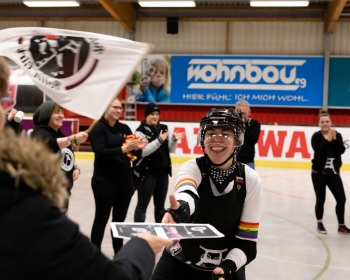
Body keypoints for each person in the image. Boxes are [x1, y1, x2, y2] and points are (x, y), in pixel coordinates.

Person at [0, 127, 173, 280]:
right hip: (104, 183)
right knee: (102, 219)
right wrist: (142, 246)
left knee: (115, 219)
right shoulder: (41, 220)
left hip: (121, 182)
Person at [151, 108, 263, 280]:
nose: (217, 139)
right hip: (178, 263)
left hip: (226, 267)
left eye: (225, 133)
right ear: (202, 139)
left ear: (237, 140)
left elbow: (247, 244)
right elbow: (187, 193)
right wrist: (181, 210)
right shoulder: (192, 168)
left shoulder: (250, 179)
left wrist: (227, 266)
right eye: (210, 133)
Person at [89, 97, 147, 256]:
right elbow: (100, 153)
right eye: (114, 107)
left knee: (119, 220)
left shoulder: (125, 128)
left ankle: (118, 252)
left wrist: (139, 148)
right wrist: (123, 149)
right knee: (101, 218)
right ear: (106, 108)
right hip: (104, 180)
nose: (118, 110)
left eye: (120, 108)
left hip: (124, 180)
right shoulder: (98, 128)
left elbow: (132, 155)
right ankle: (94, 254)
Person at [30, 100, 88, 211]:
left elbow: (65, 154)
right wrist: (73, 138)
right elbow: (50, 144)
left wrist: (75, 167)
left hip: (62, 193)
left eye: (62, 112)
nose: (61, 116)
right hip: (46, 194)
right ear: (46, 114)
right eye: (57, 112)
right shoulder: (39, 132)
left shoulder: (59, 133)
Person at [133, 102, 185, 223]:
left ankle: (160, 235)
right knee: (142, 205)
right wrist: (159, 140)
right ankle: (140, 235)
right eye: (152, 114)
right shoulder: (140, 131)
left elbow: (170, 149)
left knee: (160, 207)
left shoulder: (164, 127)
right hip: (147, 174)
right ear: (146, 115)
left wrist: (174, 140)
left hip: (163, 174)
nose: (155, 117)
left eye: (157, 114)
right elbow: (144, 151)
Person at [311, 109, 350, 235]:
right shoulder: (316, 136)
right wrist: (328, 140)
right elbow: (319, 151)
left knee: (341, 199)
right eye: (322, 122)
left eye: (327, 121)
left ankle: (341, 225)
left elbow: (341, 150)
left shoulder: (336, 135)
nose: (325, 123)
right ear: (319, 124)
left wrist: (334, 139)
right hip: (318, 174)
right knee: (321, 199)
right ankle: (320, 223)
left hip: (333, 173)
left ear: (331, 122)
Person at [234, 100, 261, 170]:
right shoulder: (231, 123)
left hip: (248, 161)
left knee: (251, 180)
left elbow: (253, 139)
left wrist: (243, 125)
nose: (241, 115)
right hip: (231, 160)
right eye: (239, 113)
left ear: (249, 112)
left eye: (243, 113)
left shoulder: (254, 124)